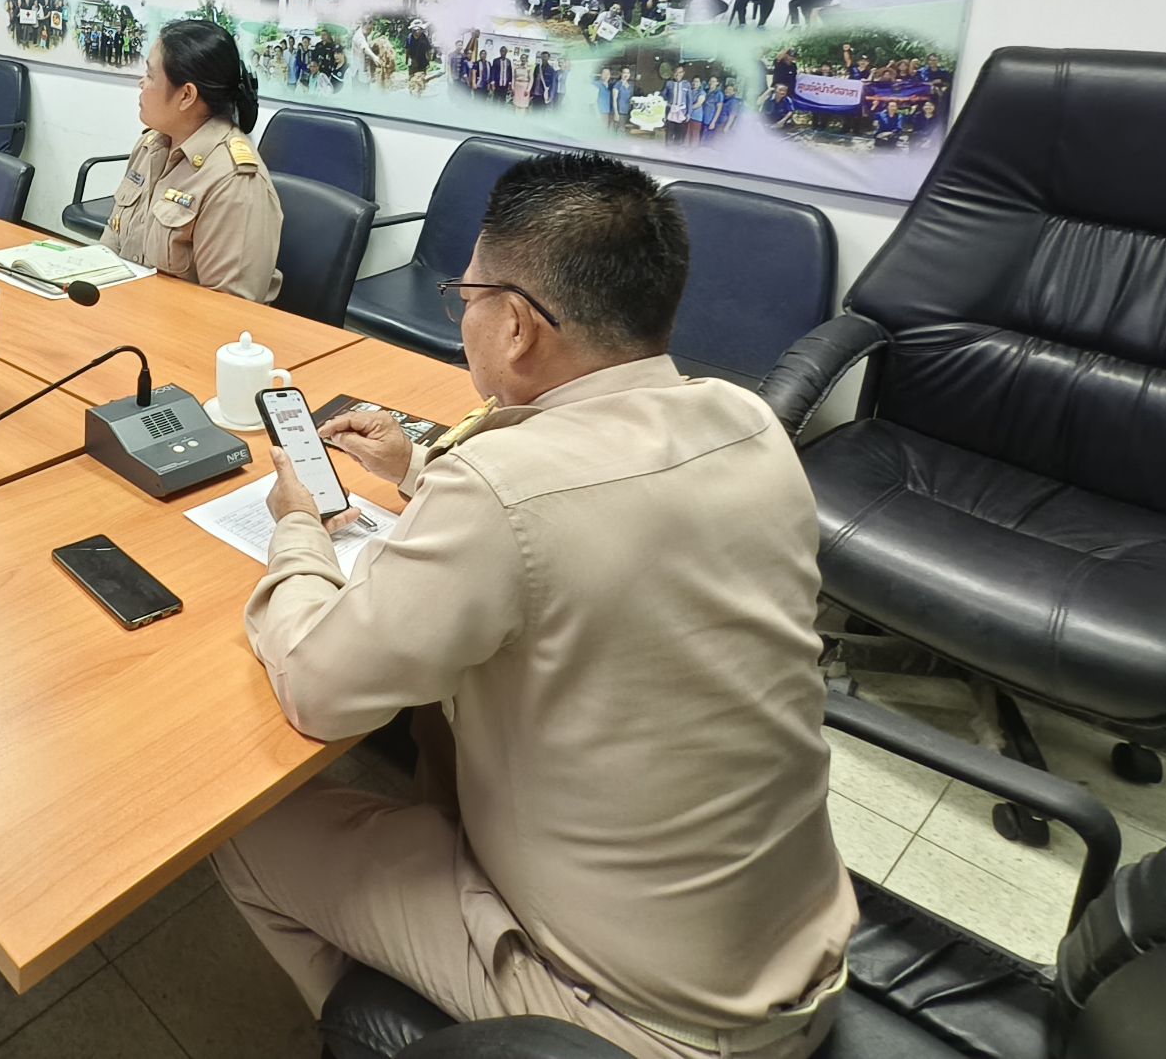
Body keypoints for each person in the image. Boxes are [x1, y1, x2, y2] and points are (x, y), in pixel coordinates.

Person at [216, 154, 855, 1059]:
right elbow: (600, 517)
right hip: (797, 966)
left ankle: (409, 1036)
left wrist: (299, 529)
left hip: (645, 1024)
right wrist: (416, 468)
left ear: (514, 325)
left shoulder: (500, 489)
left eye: (465, 294)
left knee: (250, 837)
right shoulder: (748, 423)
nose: (463, 311)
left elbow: (317, 686)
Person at [99, 20, 283, 303]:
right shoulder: (152, 145)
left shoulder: (235, 181)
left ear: (186, 95)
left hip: (180, 335)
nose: (141, 83)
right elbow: (112, 241)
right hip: (128, 312)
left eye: (149, 75)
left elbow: (229, 308)